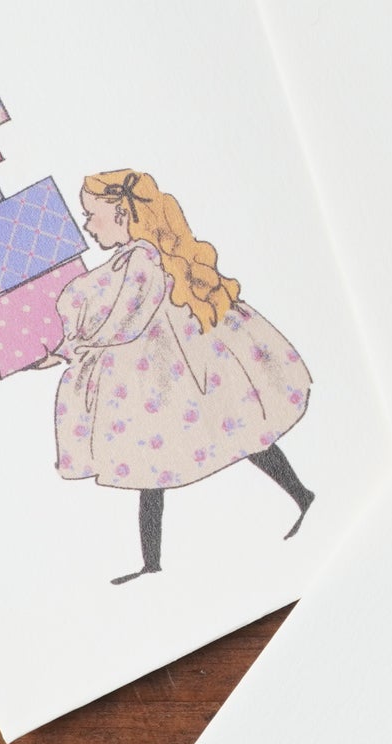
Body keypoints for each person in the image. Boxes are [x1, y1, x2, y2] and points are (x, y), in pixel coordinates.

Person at [35, 170, 314, 584]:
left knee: (177, 455)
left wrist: (68, 350)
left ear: (122, 211)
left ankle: (156, 561)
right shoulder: (138, 256)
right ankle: (154, 560)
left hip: (169, 369)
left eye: (92, 215)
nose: (88, 226)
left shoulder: (142, 259)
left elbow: (121, 319)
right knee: (228, 438)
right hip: (168, 363)